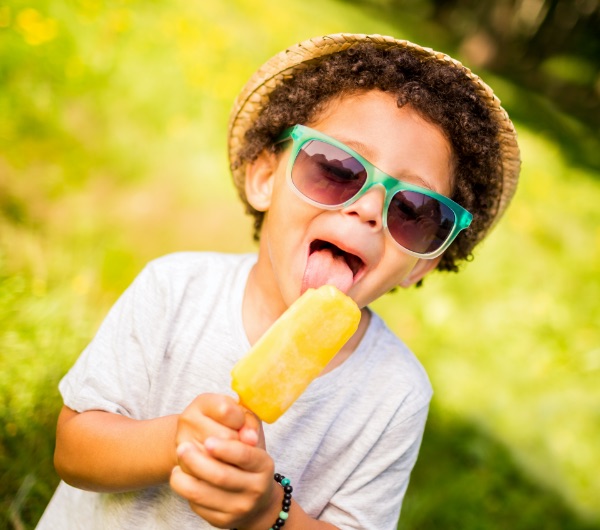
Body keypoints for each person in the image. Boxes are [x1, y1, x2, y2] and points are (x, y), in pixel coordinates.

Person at [37, 33, 520, 530]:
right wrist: (176, 441)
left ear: (424, 262)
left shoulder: (395, 394)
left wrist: (269, 512)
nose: (370, 209)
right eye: (339, 169)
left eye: (414, 210)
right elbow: (73, 452)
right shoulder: (176, 288)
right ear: (265, 177)